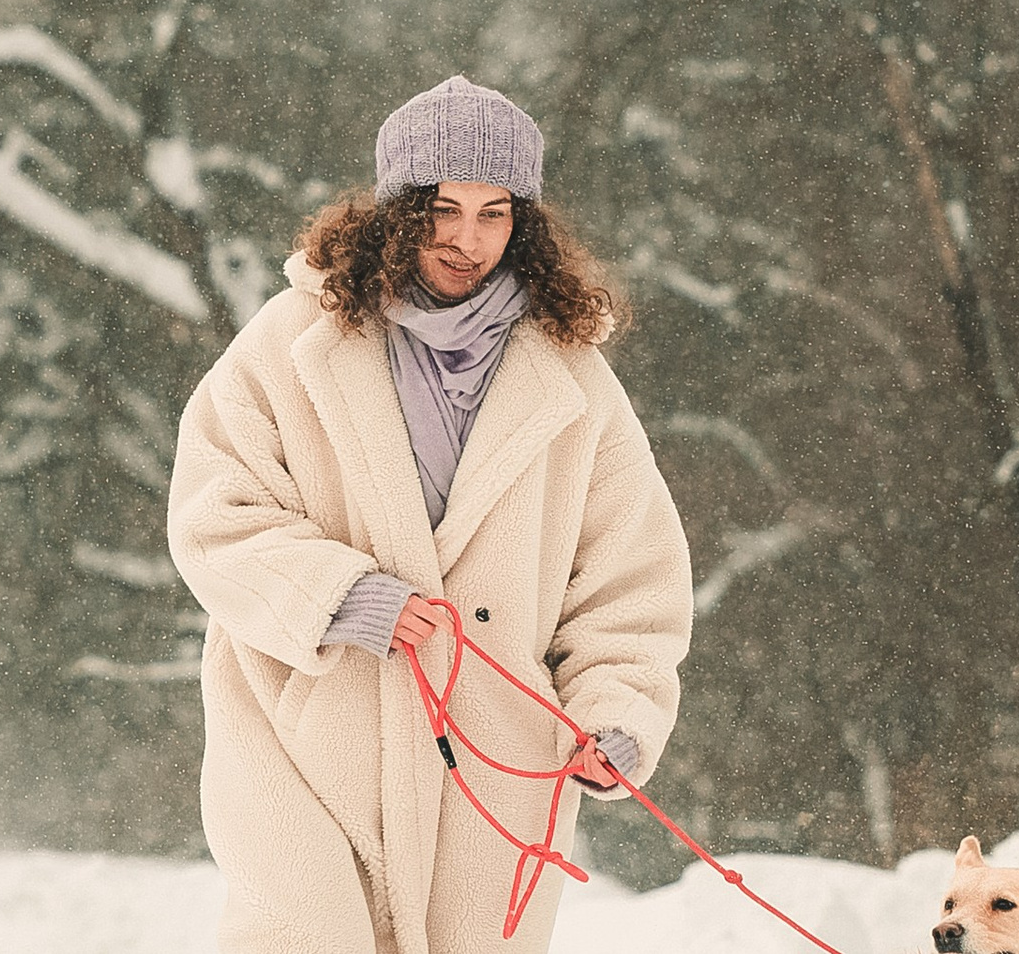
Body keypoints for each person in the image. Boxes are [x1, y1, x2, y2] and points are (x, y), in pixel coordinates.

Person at [168, 76, 693, 954]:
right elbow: (214, 509)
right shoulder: (294, 336)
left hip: (493, 752)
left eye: (495, 213)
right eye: (443, 208)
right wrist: (342, 593)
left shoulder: (574, 376)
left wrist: (616, 713)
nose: (467, 238)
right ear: (395, 209)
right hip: (308, 723)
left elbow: (630, 575)